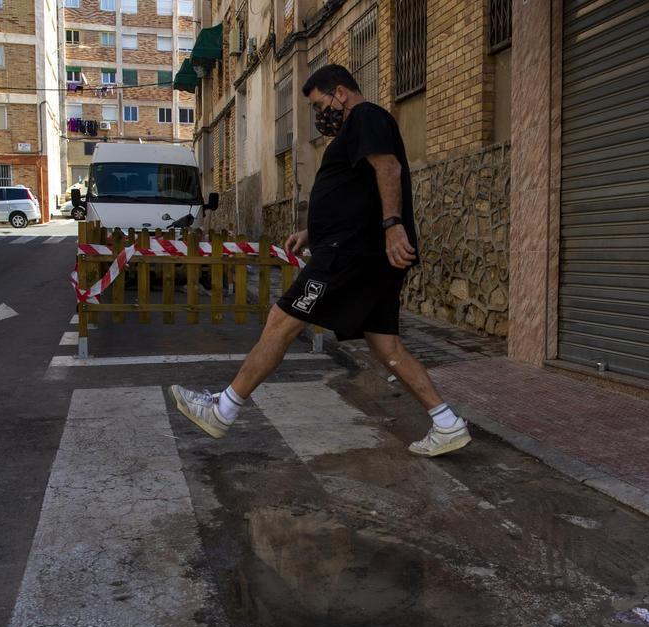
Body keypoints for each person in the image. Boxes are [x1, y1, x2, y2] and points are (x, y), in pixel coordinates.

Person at [170, 65, 471, 458]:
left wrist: (393, 226)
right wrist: (312, 232)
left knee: (282, 319)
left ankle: (223, 409)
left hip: (350, 252)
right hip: (359, 252)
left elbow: (388, 168)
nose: (319, 114)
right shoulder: (353, 132)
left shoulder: (366, 116)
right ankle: (447, 423)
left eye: (320, 103)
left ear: (341, 93)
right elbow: (356, 192)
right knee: (386, 344)